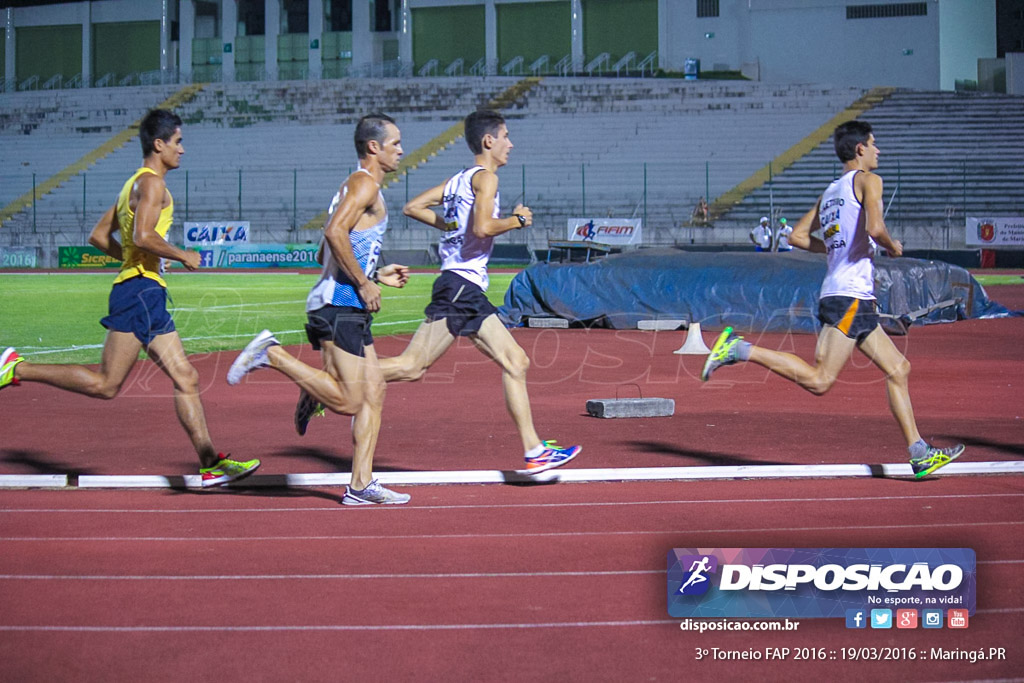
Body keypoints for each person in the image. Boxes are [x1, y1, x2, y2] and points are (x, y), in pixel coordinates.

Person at [0, 109, 257, 486]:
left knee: (185, 375)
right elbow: (141, 236)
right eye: (178, 141)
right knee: (106, 384)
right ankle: (15, 367)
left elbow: (99, 236)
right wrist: (182, 254)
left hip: (141, 289)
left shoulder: (131, 185)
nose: (182, 150)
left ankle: (209, 464)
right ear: (159, 144)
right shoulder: (153, 185)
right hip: (140, 291)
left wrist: (135, 260)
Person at [701, 120, 964, 479]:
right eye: (874, 144)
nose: (878, 151)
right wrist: (892, 246)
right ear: (860, 149)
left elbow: (795, 236)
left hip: (847, 296)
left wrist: (836, 251)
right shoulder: (870, 181)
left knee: (899, 368)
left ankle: (919, 453)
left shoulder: (829, 192)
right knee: (820, 380)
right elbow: (874, 228)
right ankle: (738, 349)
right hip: (850, 297)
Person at [378, 109, 581, 475]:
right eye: (506, 136)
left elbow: (412, 207)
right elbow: (485, 227)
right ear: (489, 141)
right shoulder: (486, 179)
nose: (511, 143)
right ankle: (332, 383)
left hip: (464, 288)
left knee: (515, 361)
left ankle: (535, 451)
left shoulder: (458, 180)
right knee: (411, 367)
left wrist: (450, 224)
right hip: (460, 287)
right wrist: (516, 221)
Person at [226, 113, 412, 505]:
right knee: (350, 401)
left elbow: (322, 251)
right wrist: (363, 282)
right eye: (395, 142)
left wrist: (374, 273)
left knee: (374, 391)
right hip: (339, 304)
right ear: (373, 147)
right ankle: (272, 354)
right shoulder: (364, 185)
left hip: (343, 302)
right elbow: (333, 234)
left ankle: (361, 485)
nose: (401, 150)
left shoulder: (352, 186)